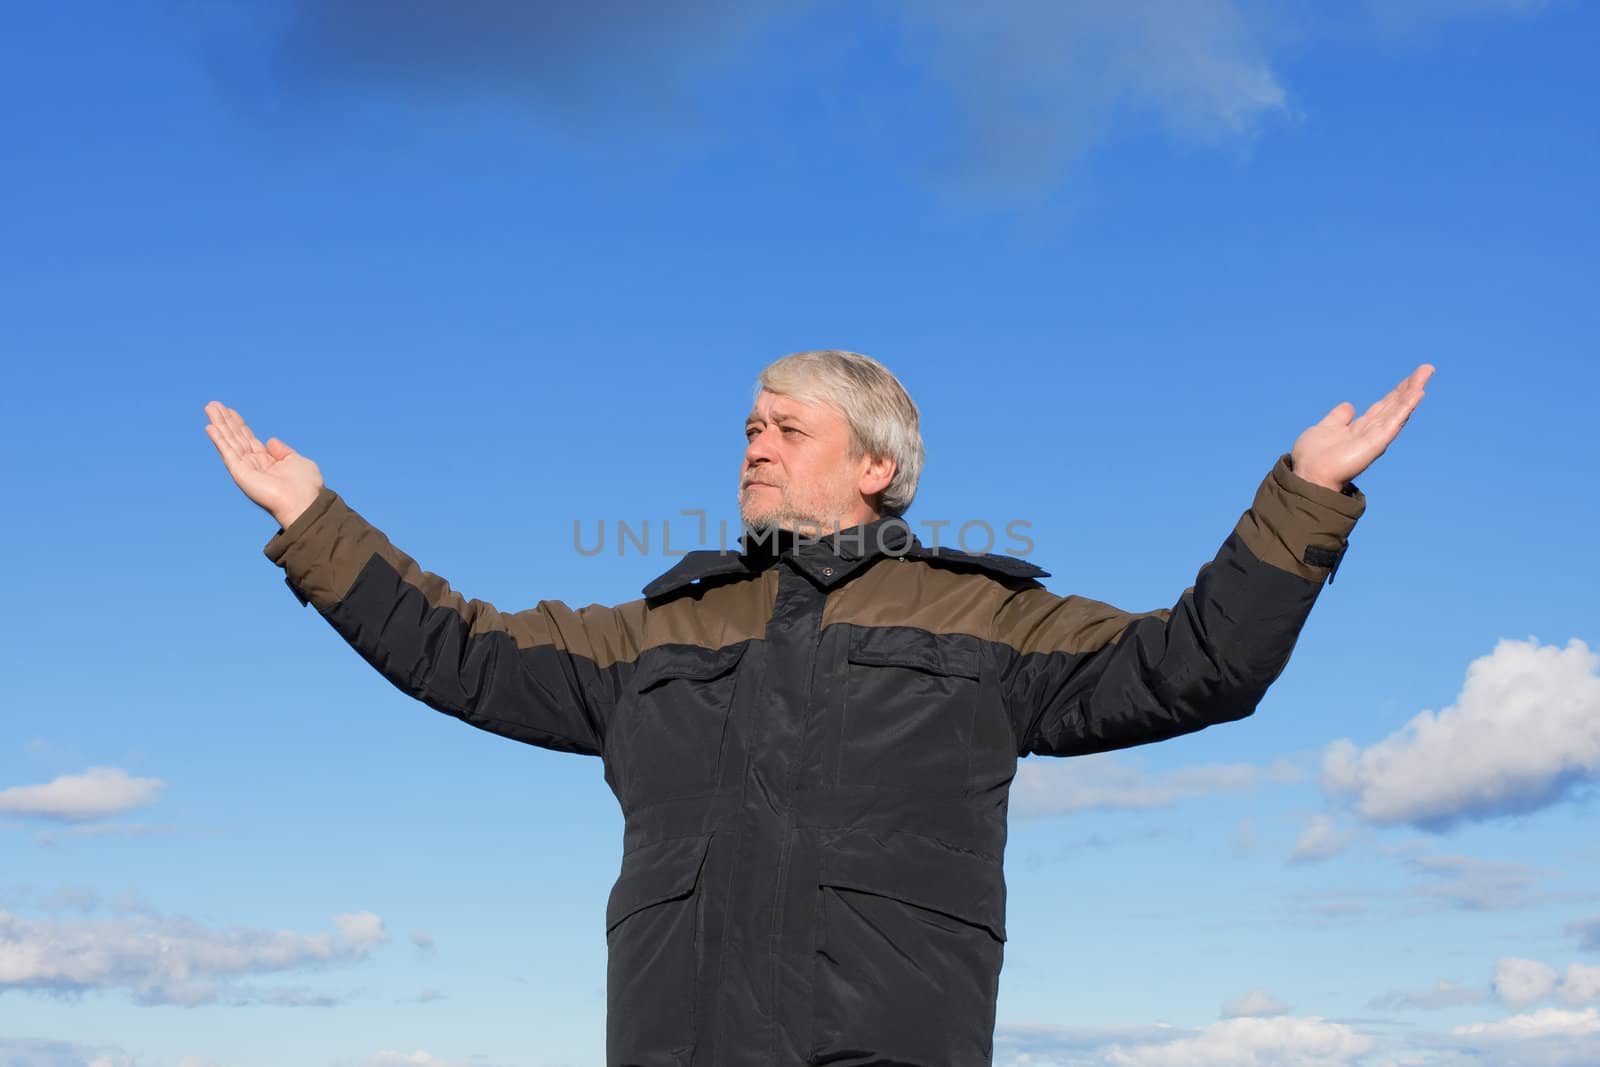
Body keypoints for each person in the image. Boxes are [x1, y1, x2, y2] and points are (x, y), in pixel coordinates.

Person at [204, 351, 1432, 1067]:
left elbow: (1197, 664)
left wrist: (1302, 499)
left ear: (875, 468)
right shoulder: (654, 635)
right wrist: (314, 521)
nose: (755, 442)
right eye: (748, 425)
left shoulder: (987, 620)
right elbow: (457, 649)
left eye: (789, 427)